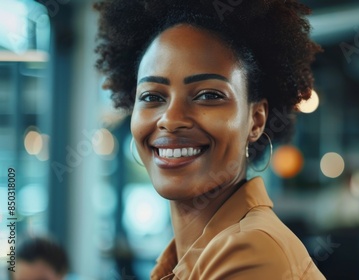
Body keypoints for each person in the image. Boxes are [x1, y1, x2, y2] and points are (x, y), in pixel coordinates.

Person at [94, 0, 324, 279]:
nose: (171, 119)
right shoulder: (182, 258)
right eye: (152, 97)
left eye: (208, 95)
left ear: (256, 120)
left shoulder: (252, 251)